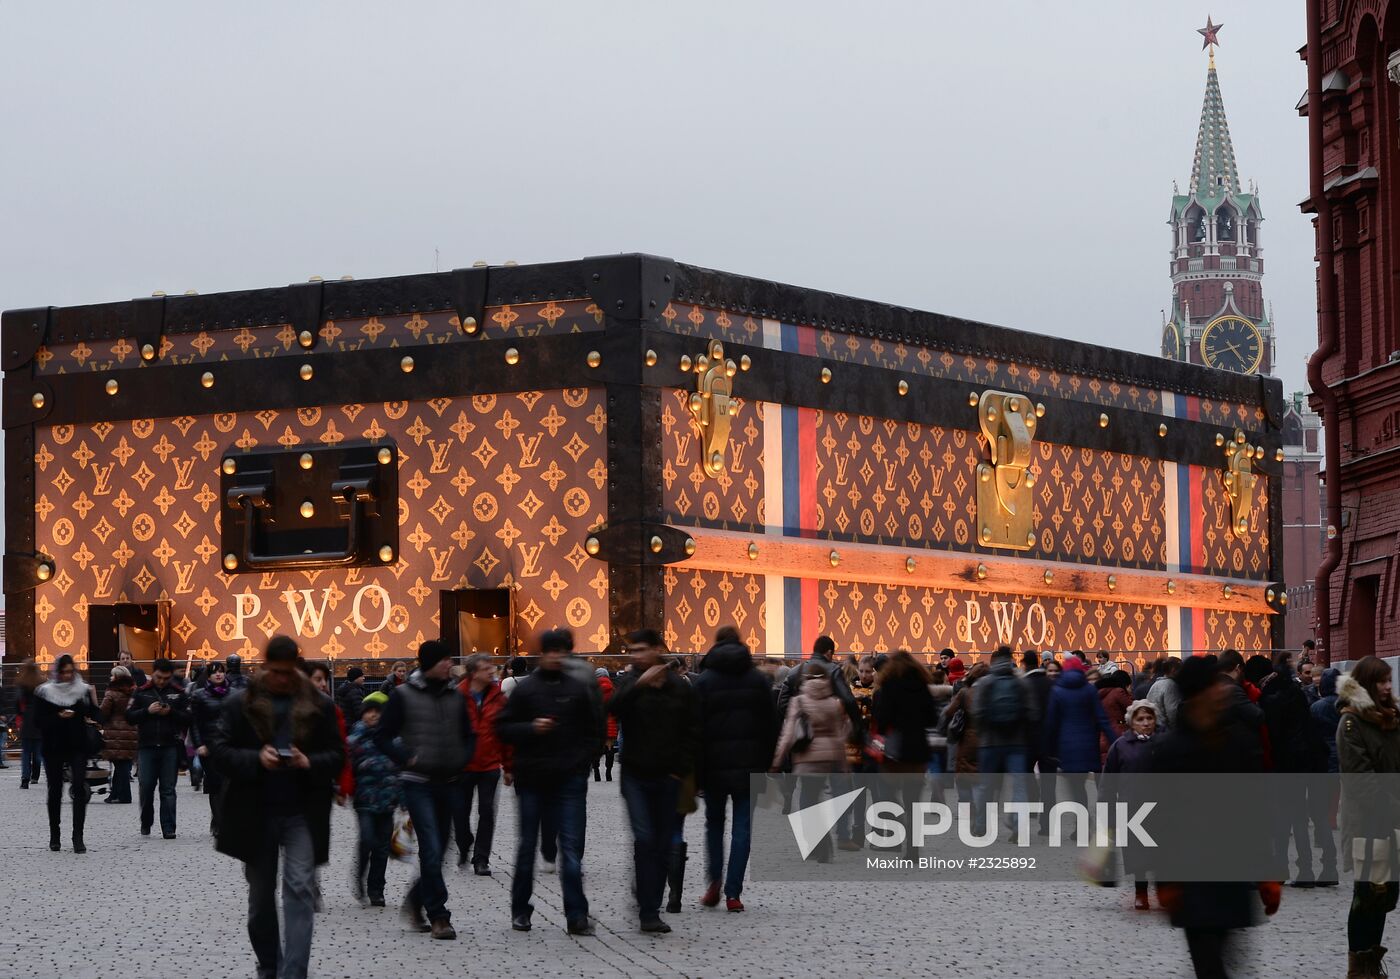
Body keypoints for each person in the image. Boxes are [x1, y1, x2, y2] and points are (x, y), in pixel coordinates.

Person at [209, 636, 344, 979]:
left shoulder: (320, 705)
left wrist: (306, 761)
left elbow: (337, 756)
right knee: (260, 900)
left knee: (300, 889)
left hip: (302, 811)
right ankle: (269, 964)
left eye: (289, 672)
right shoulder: (240, 704)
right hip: (256, 812)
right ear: (266, 667)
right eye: (277, 672)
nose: (283, 679)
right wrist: (257, 758)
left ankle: (294, 973)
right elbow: (219, 752)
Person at [1153, 656, 1278, 977]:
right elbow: (1160, 820)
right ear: (1199, 694)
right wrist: (1165, 881)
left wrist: (1267, 873)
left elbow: (1255, 810)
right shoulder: (1170, 750)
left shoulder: (1237, 743)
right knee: (1209, 966)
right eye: (1214, 685)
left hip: (1231, 872)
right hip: (1190, 875)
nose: (1222, 691)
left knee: (1222, 960)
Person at [496, 629, 605, 936]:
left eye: (562, 651)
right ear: (542, 655)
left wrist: (581, 763)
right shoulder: (526, 689)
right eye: (552, 651)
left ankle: (576, 915)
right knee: (527, 846)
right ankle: (520, 910)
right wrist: (531, 728)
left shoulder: (577, 688)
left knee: (570, 850)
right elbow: (503, 727)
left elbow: (593, 732)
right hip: (532, 778)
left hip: (569, 779)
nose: (557, 656)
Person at [371, 640, 474, 941]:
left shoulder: (456, 695)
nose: (449, 665)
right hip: (418, 783)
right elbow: (382, 736)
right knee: (430, 846)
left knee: (440, 850)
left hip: (450, 781)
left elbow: (469, 735)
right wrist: (406, 758)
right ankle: (439, 916)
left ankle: (416, 900)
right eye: (444, 660)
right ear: (429, 663)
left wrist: (464, 759)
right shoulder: (403, 695)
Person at [608, 629, 698, 934]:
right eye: (632, 650)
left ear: (658, 649)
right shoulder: (630, 680)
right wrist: (639, 685)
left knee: (660, 844)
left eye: (642, 649)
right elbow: (613, 709)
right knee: (645, 838)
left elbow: (692, 730)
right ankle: (648, 910)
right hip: (635, 774)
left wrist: (681, 770)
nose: (636, 656)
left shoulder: (678, 686)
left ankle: (651, 902)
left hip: (668, 775)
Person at [693, 627, 775, 912]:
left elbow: (695, 730)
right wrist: (765, 764)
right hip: (749, 767)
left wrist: (697, 771)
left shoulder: (703, 681)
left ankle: (714, 880)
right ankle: (733, 893)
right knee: (743, 830)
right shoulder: (758, 680)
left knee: (714, 825)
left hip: (714, 768)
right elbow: (770, 727)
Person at [1338, 656, 1400, 978]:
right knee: (1366, 896)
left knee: (1385, 895)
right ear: (1367, 683)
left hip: (1391, 822)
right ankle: (1359, 968)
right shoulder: (1351, 723)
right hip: (1367, 822)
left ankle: (1371, 963)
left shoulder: (1392, 717)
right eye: (1382, 681)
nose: (1388, 687)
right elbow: (1361, 781)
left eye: (1389, 680)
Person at [1257, 650, 1330, 887]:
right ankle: (1307, 869)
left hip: (1283, 764)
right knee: (1301, 817)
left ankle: (1281, 868)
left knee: (1282, 819)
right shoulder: (1298, 695)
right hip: (1305, 762)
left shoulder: (1269, 697)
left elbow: (1272, 734)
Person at [772, 660, 852, 863]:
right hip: (829, 757)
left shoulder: (798, 701)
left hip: (806, 757)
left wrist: (777, 761)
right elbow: (841, 732)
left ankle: (821, 844)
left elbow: (788, 733)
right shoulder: (833, 702)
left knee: (808, 800)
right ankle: (821, 844)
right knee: (816, 798)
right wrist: (843, 764)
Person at [1043, 655, 1117, 834]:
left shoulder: (1057, 691)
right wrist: (1115, 740)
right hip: (1088, 744)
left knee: (1076, 788)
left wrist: (1046, 747)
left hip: (1067, 746)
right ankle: (1097, 822)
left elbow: (1051, 723)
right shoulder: (1089, 690)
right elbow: (1101, 719)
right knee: (1089, 784)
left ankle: (1081, 825)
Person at [32, 655, 99, 852]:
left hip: (77, 745)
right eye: (63, 672)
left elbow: (94, 713)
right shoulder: (44, 692)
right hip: (53, 746)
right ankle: (55, 834)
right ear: (57, 672)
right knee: (55, 789)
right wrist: (58, 716)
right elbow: (38, 721)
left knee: (79, 787)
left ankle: (78, 835)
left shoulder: (82, 690)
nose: (67, 676)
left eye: (70, 671)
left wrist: (95, 706)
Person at [1103, 700, 1160, 910]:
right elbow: (1108, 781)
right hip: (1133, 806)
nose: (1145, 723)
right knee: (1137, 852)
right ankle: (1141, 891)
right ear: (1131, 722)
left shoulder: (1163, 742)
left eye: (1149, 718)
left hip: (1161, 805)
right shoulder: (1120, 746)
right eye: (1140, 719)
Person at [971, 646, 1034, 834]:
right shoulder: (1021, 683)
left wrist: (982, 733)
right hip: (1016, 742)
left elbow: (977, 711)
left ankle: (981, 825)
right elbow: (1032, 713)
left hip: (990, 742)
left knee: (985, 785)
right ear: (1011, 659)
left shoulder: (985, 682)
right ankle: (1018, 827)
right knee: (1019, 786)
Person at [126, 656, 190, 839]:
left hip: (170, 745)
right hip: (146, 746)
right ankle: (146, 821)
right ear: (152, 674)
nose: (161, 681)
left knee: (168, 789)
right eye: (158, 677)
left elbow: (188, 718)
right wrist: (147, 711)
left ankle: (169, 827)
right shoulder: (141, 692)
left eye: (165, 678)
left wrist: (171, 712)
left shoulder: (178, 692)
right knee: (146, 786)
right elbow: (129, 716)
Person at [455, 652, 505, 875]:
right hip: (462, 766)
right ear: (474, 673)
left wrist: (509, 765)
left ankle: (481, 858)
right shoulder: (456, 696)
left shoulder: (499, 697)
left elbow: (505, 732)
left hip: (489, 765)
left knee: (487, 811)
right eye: (487, 668)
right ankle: (464, 843)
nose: (492, 671)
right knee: (460, 813)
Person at [348, 691, 398, 907]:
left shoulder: (394, 739)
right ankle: (359, 875)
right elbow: (345, 769)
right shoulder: (354, 739)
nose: (373, 716)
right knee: (368, 839)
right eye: (369, 712)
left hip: (388, 799)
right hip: (364, 799)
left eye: (377, 712)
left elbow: (401, 768)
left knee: (383, 847)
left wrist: (403, 797)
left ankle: (376, 888)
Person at [775, 635, 862, 736]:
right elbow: (848, 700)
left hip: (800, 736)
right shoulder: (834, 670)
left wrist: (797, 721)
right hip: (827, 731)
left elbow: (782, 703)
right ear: (829, 652)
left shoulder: (794, 671)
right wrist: (858, 727)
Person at [190, 660, 234, 835]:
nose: (218, 674)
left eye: (221, 671)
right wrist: (198, 744)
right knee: (216, 785)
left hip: (229, 745)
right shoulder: (199, 695)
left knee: (228, 785)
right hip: (208, 746)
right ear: (208, 676)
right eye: (215, 672)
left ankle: (222, 821)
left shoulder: (234, 694)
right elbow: (194, 723)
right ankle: (218, 822)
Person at [99, 666, 138, 805]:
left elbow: (103, 712)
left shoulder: (111, 693)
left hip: (116, 732)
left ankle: (123, 795)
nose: (110, 678)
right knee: (123, 765)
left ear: (117, 678)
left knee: (120, 766)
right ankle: (117, 794)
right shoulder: (134, 692)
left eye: (112, 675)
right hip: (132, 732)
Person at [16, 658, 44, 789]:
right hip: (39, 719)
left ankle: (25, 779)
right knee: (38, 752)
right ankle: (35, 776)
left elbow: (18, 701)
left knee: (26, 752)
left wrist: (20, 715)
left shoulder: (22, 683)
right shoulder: (42, 682)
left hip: (27, 719)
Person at [1098, 669, 1133, 767]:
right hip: (1119, 730)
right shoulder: (1119, 692)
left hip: (1103, 733)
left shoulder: (1101, 692)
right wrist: (1129, 693)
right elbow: (1132, 708)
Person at [593, 667, 617, 782]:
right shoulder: (612, 688)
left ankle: (597, 772)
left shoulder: (592, 689)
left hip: (596, 722)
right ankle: (608, 772)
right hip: (610, 721)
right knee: (610, 747)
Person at [1148, 656, 1183, 731]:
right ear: (1173, 670)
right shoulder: (1170, 685)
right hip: (1164, 729)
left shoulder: (1156, 684)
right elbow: (1172, 712)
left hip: (1154, 727)